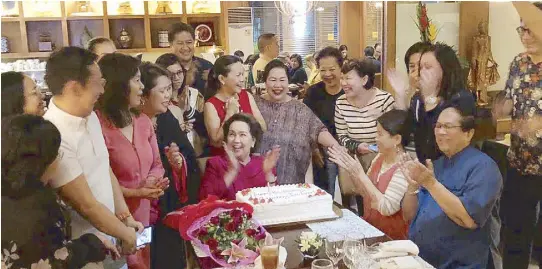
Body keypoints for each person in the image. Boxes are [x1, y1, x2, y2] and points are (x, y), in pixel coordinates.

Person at [43, 47, 141, 269]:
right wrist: (125, 233)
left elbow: (103, 167)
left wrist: (124, 216)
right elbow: (85, 205)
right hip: (84, 251)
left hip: (113, 236)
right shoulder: (54, 134)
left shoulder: (90, 115)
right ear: (74, 88)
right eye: (98, 81)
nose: (103, 88)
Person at [1, 115, 118, 269]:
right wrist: (94, 243)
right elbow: (54, 260)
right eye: (57, 154)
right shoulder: (41, 212)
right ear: (42, 163)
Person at [402, 106, 502, 268]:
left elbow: (468, 220)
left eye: (447, 127)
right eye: (438, 126)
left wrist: (431, 184)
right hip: (421, 259)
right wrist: (412, 188)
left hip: (459, 263)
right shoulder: (437, 164)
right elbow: (408, 215)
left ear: (468, 133)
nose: (440, 132)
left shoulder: (484, 167)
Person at [96, 54, 167, 269]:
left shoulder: (142, 120)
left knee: (144, 262)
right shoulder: (97, 125)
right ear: (119, 85)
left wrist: (152, 183)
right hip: (112, 219)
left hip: (144, 214)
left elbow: (157, 163)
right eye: (137, 80)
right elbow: (100, 178)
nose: (142, 86)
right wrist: (137, 193)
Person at [494, 2, 542, 268]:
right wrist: (503, 110)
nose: (525, 36)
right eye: (521, 30)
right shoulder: (519, 63)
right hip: (520, 162)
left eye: (531, 29)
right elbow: (508, 103)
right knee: (514, 230)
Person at [139, 62, 198, 269]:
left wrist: (178, 164)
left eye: (168, 90)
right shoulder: (132, 123)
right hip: (142, 204)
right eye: (162, 90)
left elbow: (188, 156)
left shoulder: (167, 119)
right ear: (143, 94)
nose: (167, 95)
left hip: (170, 202)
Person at [388, 42, 476, 163]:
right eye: (420, 67)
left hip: (455, 166)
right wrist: (401, 97)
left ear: (445, 69)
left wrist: (430, 96)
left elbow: (438, 138)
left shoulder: (461, 98)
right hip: (427, 166)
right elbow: (406, 135)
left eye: (427, 67)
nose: (420, 72)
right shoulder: (418, 98)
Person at [328, 110, 409, 240]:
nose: (376, 138)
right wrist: (351, 170)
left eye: (380, 134)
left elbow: (386, 208)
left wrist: (361, 174)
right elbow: (363, 192)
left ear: (397, 139)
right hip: (370, 230)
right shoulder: (379, 158)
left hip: (390, 240)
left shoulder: (405, 167)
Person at [255, 60, 339, 185]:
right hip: (257, 182)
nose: (278, 85)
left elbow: (317, 129)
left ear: (288, 82)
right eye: (273, 80)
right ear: (265, 82)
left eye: (282, 80)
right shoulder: (255, 104)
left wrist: (337, 148)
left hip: (291, 184)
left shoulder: (300, 109)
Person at [335, 59, 395, 215]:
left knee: (379, 202)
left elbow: (393, 133)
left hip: (381, 155)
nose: (343, 83)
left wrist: (373, 148)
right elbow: (341, 135)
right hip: (355, 154)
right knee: (362, 203)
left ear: (364, 79)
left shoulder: (384, 100)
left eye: (348, 78)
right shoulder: (341, 102)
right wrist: (357, 146)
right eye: (342, 78)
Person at [200, 113, 280, 200]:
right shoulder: (215, 164)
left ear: (253, 141)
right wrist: (231, 173)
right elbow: (204, 200)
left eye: (242, 135)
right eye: (232, 134)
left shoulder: (264, 164)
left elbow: (275, 200)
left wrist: (268, 174)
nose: (236, 140)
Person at [204, 55, 266, 156]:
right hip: (224, 162)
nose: (242, 79)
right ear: (222, 79)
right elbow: (216, 142)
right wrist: (229, 114)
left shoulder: (246, 95)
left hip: (247, 159)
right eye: (238, 75)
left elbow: (262, 127)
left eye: (243, 74)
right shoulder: (211, 105)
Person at [304, 46, 344, 195]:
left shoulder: (349, 90)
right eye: (323, 70)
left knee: (350, 195)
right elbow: (306, 122)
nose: (327, 74)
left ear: (341, 67)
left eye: (332, 69)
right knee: (324, 194)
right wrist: (314, 149)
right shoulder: (314, 92)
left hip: (348, 151)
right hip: (320, 152)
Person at [155, 53, 206, 153]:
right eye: (171, 75)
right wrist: (181, 113)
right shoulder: (159, 100)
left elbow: (203, 126)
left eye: (179, 72)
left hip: (197, 148)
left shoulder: (194, 94)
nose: (177, 78)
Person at [168, 22, 213, 99]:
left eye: (189, 42)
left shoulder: (207, 67)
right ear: (171, 45)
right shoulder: (163, 68)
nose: (185, 48)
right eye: (180, 43)